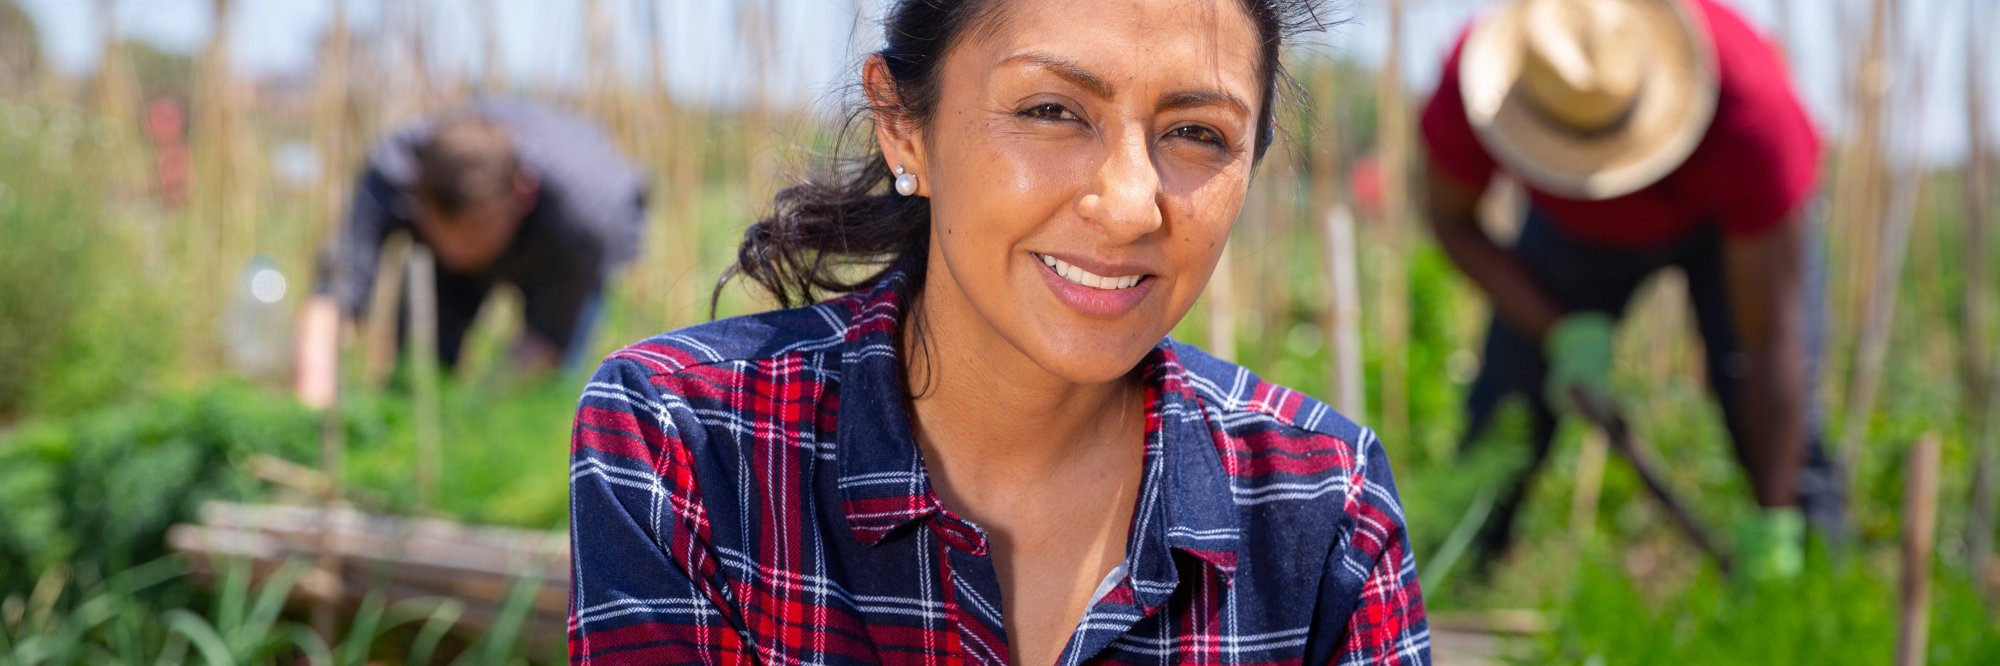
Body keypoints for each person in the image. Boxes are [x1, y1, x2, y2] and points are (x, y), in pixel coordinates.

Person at [567, 0, 1430, 663]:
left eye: (1197, 134)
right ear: (905, 124)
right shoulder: (692, 442)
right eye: (1052, 111)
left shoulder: (1321, 502)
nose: (1130, 205)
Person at [1418, 0, 1842, 580]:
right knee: (1508, 407)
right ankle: (1451, 573)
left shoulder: (1753, 114)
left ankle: (1811, 581)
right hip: (1569, 233)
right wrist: (1557, 329)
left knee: (1761, 398)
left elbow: (1772, 338)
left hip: (1726, 229)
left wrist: (1776, 517)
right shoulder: (1481, 80)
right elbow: (1453, 223)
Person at [295, 102, 647, 407]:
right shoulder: (393, 173)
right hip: (442, 268)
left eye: (474, 234)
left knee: (540, 394)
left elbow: (544, 346)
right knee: (420, 374)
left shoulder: (584, 217)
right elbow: (337, 292)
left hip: (558, 248)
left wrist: (473, 416)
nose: (458, 250)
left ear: (521, 195)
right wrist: (312, 407)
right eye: (443, 233)